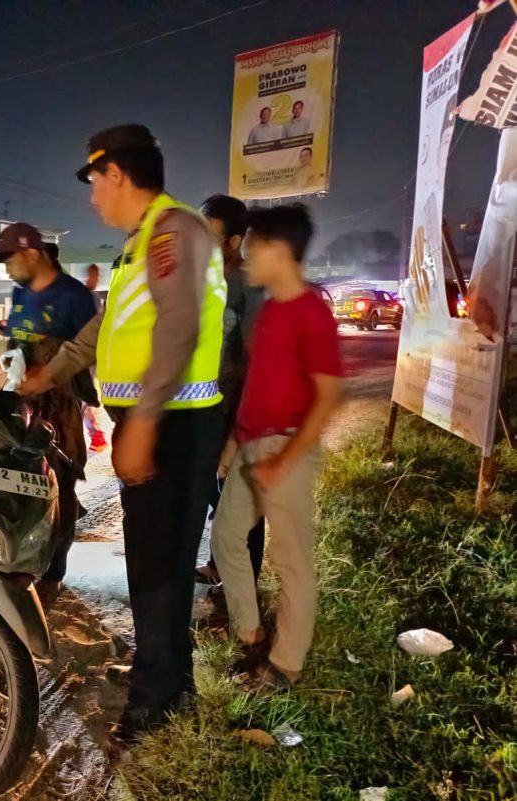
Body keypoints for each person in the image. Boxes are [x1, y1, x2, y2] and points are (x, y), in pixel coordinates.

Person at [21, 124, 226, 744]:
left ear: (117, 174)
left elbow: (180, 329)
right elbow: (103, 333)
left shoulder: (174, 231)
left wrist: (145, 423)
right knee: (152, 563)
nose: (92, 198)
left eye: (94, 183)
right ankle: (167, 680)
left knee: (158, 566)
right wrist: (46, 375)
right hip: (158, 422)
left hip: (172, 426)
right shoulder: (139, 246)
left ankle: (153, 706)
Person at [212, 204, 343, 691]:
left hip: (287, 448)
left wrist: (283, 461)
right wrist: (233, 444)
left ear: (280, 252)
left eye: (254, 250)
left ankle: (285, 664)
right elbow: (256, 384)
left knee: (291, 562)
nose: (246, 260)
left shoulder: (312, 313)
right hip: (251, 446)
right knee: (226, 536)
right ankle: (251, 635)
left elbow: (329, 396)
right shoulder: (269, 311)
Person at [0, 222, 98, 603]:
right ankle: (24, 561)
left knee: (60, 485)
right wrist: (12, 359)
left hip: (61, 409)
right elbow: (18, 339)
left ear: (32, 253)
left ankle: (54, 573)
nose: (6, 269)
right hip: (24, 406)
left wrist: (50, 369)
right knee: (20, 484)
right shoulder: (21, 294)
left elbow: (90, 352)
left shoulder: (75, 296)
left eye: (9, 259)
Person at [194, 195, 266, 590]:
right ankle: (218, 562)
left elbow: (260, 370)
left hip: (239, 414)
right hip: (204, 410)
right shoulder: (201, 280)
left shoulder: (252, 289)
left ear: (234, 241)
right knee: (213, 496)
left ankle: (243, 585)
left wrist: (237, 437)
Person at [81, 263, 107, 452]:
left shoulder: (92, 298)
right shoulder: (87, 297)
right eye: (93, 275)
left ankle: (97, 437)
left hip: (87, 357)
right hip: (84, 355)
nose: (95, 278)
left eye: (96, 275)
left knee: (87, 397)